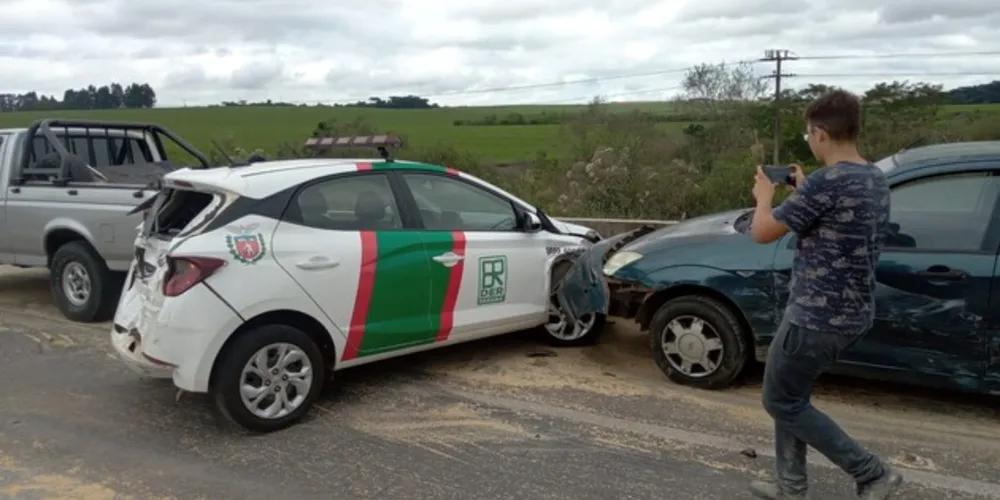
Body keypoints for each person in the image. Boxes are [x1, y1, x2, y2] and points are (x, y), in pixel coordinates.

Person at [746, 90, 902, 499]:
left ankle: (871, 472)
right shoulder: (873, 176)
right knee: (791, 396)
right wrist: (804, 188)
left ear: (820, 133)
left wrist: (765, 199)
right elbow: (832, 216)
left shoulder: (828, 183)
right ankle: (790, 486)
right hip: (853, 312)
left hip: (816, 316)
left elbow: (762, 232)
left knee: (780, 400)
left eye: (808, 133)